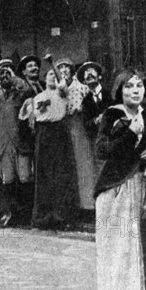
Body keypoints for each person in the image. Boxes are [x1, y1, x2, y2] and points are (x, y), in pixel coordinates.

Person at [94, 68, 146, 290]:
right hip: (116, 190)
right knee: (118, 253)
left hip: (139, 187)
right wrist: (130, 133)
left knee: (138, 252)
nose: (135, 91)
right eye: (129, 86)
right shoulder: (113, 114)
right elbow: (103, 150)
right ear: (120, 90)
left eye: (139, 86)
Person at [20, 69, 78, 229]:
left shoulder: (63, 93)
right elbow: (32, 116)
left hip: (59, 131)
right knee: (43, 174)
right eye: (50, 74)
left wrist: (60, 79)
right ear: (45, 79)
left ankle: (61, 216)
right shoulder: (37, 97)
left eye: (55, 74)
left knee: (61, 173)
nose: (53, 76)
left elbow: (64, 87)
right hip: (43, 133)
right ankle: (42, 217)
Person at [0, 60, 32, 227]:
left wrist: (13, 76)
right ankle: (9, 213)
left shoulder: (20, 95)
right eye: (2, 76)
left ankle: (26, 214)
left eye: (7, 74)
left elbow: (29, 90)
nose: (4, 77)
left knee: (24, 178)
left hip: (19, 142)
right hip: (2, 143)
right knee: (7, 180)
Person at [56, 58, 92, 212]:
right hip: (64, 127)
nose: (64, 71)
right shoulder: (58, 88)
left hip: (79, 126)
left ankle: (86, 204)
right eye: (60, 68)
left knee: (82, 163)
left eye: (66, 68)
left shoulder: (82, 88)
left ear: (71, 70)